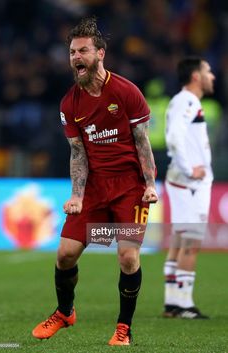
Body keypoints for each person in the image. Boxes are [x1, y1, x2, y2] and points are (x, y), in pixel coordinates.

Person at [32, 17, 158, 345]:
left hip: (129, 188)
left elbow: (142, 142)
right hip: (94, 190)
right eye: (72, 51)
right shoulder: (69, 103)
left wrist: (149, 184)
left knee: (128, 256)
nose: (76, 57)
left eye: (83, 50)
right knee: (65, 255)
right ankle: (65, 312)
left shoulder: (126, 92)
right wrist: (76, 195)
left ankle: (123, 329)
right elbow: (78, 153)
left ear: (100, 53)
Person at [163, 56, 215, 319]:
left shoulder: (183, 100)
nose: (212, 76)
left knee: (180, 238)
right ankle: (184, 304)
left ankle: (173, 301)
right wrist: (188, 169)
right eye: (208, 71)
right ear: (196, 76)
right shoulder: (188, 100)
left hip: (183, 180)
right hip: (189, 182)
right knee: (191, 241)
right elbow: (174, 136)